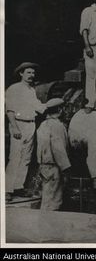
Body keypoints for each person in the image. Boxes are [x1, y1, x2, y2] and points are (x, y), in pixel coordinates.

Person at [5, 62, 47, 202]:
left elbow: (39, 107)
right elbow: (9, 110)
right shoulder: (14, 88)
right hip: (19, 124)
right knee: (15, 157)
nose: (31, 75)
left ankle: (18, 187)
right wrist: (15, 127)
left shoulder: (31, 90)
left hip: (30, 124)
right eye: (28, 72)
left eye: (33, 73)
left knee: (26, 158)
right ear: (21, 73)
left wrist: (52, 103)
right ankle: (7, 189)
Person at [37, 98, 71, 211]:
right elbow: (58, 148)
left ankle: (43, 225)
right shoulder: (57, 126)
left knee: (46, 199)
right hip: (54, 166)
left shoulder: (43, 125)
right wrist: (65, 168)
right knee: (54, 202)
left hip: (44, 166)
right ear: (60, 110)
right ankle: (48, 227)